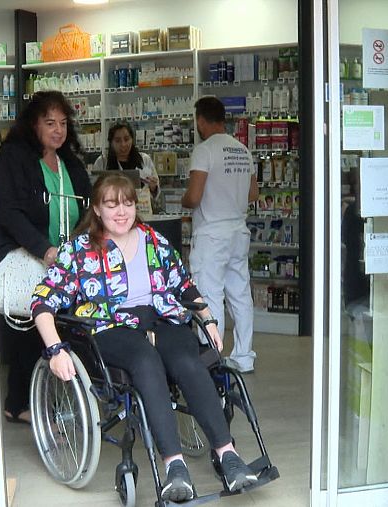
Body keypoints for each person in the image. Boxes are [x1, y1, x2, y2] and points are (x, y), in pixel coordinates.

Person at [31, 174, 259, 502]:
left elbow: (183, 284)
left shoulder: (152, 239)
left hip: (161, 319)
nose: (121, 211)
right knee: (146, 361)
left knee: (187, 360)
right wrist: (55, 349)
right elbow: (42, 301)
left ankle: (228, 455)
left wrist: (207, 318)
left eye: (127, 203)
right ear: (97, 209)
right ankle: (175, 467)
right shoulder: (79, 250)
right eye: (111, 204)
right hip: (111, 328)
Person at [0, 90, 92, 424]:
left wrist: (75, 247)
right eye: (50, 122)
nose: (58, 130)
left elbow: (86, 209)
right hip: (27, 254)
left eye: (63, 123)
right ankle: (21, 402)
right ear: (33, 124)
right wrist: (43, 249)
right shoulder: (15, 157)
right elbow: (9, 212)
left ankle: (41, 397)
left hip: (61, 258)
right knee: (31, 323)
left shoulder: (69, 163)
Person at [181, 97, 259, 374]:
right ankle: (244, 356)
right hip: (239, 231)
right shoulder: (242, 150)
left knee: (209, 295)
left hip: (212, 234)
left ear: (201, 120)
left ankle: (212, 357)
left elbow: (194, 196)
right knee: (240, 294)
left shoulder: (205, 150)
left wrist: (184, 199)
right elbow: (253, 194)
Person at [91, 122, 163, 213]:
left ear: (132, 139)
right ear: (111, 142)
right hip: (112, 213)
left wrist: (153, 188)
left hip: (141, 211)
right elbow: (94, 191)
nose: (123, 144)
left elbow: (156, 193)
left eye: (126, 139)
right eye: (117, 141)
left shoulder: (144, 159)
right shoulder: (102, 162)